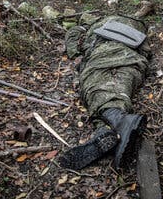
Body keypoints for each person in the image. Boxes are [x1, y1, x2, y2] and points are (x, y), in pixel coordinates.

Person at [59, 13, 150, 169]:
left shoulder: (93, 25)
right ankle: (106, 129)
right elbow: (146, 49)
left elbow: (73, 38)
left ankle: (114, 120)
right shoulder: (137, 25)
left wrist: (76, 52)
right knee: (121, 85)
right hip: (131, 55)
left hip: (103, 51)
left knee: (93, 87)